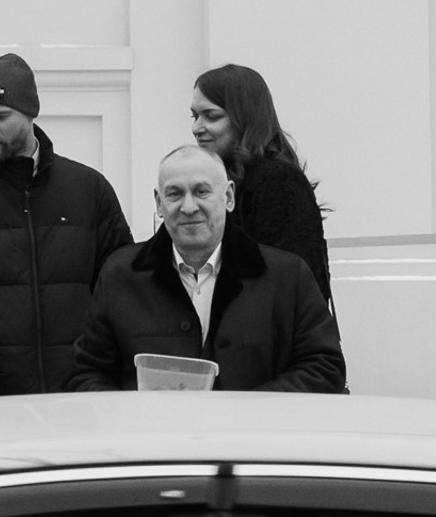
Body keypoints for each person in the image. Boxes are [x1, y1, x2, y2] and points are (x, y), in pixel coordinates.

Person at [0, 53, 134, 396]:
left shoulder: (89, 190)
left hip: (81, 394)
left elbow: (122, 292)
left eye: (0, 117)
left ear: (31, 113)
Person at [67, 145, 347, 393]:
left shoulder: (286, 276)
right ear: (158, 203)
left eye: (201, 191)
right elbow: (86, 374)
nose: (189, 207)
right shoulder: (119, 275)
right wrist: (138, 418)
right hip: (155, 448)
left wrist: (244, 415)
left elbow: (324, 367)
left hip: (251, 448)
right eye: (174, 194)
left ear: (228, 197)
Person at [190, 63, 333, 304]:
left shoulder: (278, 181)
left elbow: (291, 283)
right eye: (195, 116)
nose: (196, 128)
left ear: (244, 117)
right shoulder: (224, 178)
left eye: (211, 116)